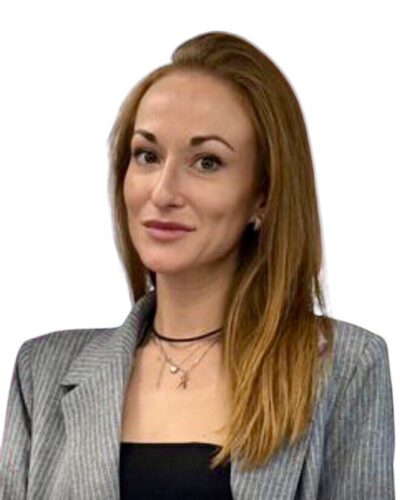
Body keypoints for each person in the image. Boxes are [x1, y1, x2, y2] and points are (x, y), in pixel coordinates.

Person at [0, 31, 395, 500]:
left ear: (263, 195)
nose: (163, 192)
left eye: (206, 162)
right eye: (147, 156)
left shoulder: (343, 367)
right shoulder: (42, 373)